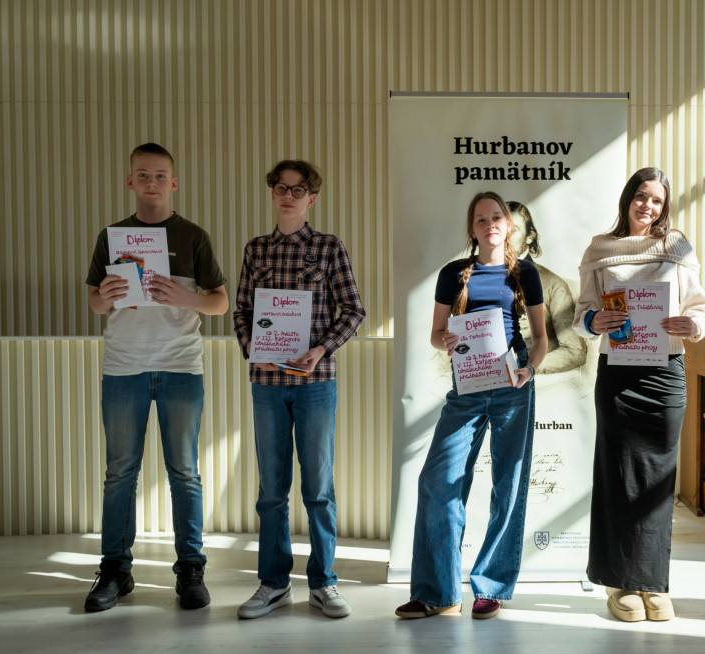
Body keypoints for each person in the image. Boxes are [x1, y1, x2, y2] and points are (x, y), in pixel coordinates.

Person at [84, 142, 228, 612]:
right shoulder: (111, 236)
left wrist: (188, 299)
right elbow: (95, 302)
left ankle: (191, 569)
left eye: (160, 175)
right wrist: (106, 295)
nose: (152, 182)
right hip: (123, 366)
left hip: (180, 366)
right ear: (130, 181)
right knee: (119, 473)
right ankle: (115, 570)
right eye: (143, 175)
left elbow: (220, 301)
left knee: (184, 471)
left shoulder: (193, 236)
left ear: (174, 183)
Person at [573, 167, 705, 623]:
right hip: (618, 375)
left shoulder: (677, 247)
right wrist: (594, 321)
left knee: (657, 481)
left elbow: (703, 309)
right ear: (627, 199)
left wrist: (692, 325)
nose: (648, 206)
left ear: (664, 207)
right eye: (641, 196)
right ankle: (619, 583)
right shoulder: (600, 249)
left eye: (657, 200)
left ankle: (652, 583)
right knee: (618, 477)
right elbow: (581, 313)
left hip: (665, 375)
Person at [395, 191, 546, 621]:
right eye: (481, 219)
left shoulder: (525, 274)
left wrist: (529, 371)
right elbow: (435, 334)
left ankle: (491, 587)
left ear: (508, 225)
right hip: (468, 383)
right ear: (472, 229)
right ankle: (438, 593)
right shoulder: (454, 274)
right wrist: (444, 340)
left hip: (513, 381)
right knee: (437, 480)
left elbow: (540, 339)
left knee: (508, 483)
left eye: (497, 217)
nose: (489, 224)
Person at [232, 160, 366, 619]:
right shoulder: (256, 250)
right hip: (267, 384)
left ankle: (323, 582)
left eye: (298, 189)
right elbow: (241, 312)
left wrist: (320, 350)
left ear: (312, 198)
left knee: (319, 488)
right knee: (272, 490)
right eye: (280, 187)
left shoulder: (328, 247)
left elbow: (354, 310)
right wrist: (253, 349)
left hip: (316, 383)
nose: (288, 195)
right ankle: (273, 584)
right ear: (272, 193)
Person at [507, 201, 587, 374]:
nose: (505, 236)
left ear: (530, 236)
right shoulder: (476, 280)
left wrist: (526, 367)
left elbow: (575, 351)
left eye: (513, 230)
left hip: (530, 378)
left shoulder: (553, 285)